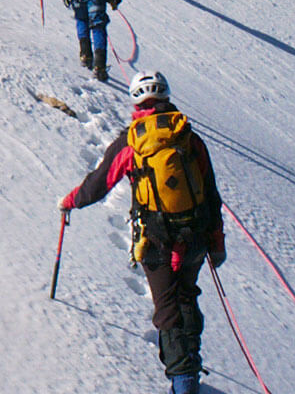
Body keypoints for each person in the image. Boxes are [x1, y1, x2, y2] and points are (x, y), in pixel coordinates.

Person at [57, 71, 224, 394]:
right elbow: (211, 194)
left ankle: (183, 380)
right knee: (187, 295)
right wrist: (216, 243)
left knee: (167, 309)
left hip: (157, 242)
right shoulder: (188, 137)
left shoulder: (133, 140)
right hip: (196, 237)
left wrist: (70, 201)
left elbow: (99, 183)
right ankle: (190, 362)